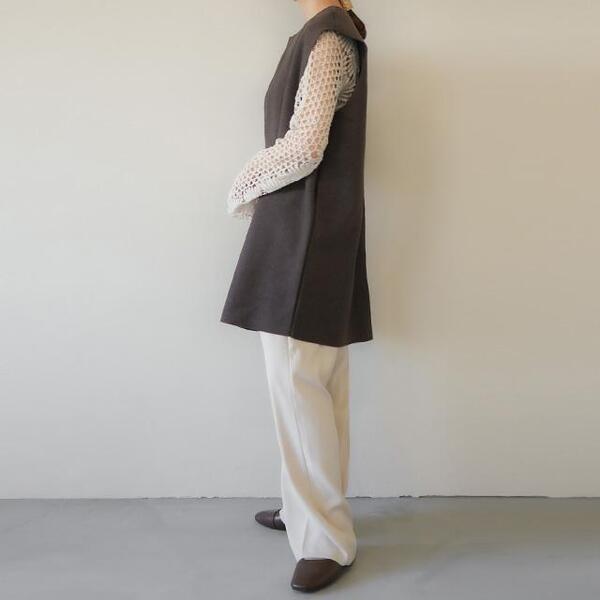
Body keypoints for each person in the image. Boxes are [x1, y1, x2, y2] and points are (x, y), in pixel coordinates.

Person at [220, 0, 372, 592]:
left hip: (301, 234)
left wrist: (241, 187)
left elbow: (305, 146)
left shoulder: (327, 38)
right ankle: (306, 507)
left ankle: (326, 539)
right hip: (319, 229)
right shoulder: (329, 34)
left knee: (299, 384)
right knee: (317, 385)